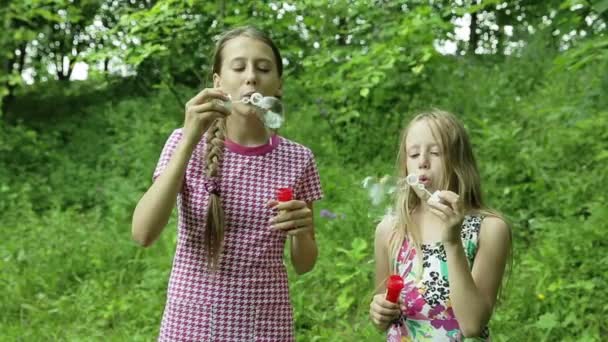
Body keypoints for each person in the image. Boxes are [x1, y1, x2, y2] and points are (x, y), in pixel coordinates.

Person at [131, 26, 323, 341]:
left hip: (265, 324)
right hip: (190, 323)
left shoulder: (298, 159)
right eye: (238, 67)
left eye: (263, 69)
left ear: (278, 87)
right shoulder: (183, 142)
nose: (251, 77)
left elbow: (304, 264)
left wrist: (302, 231)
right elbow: (143, 234)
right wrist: (191, 136)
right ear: (219, 83)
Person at [369, 110, 511, 341]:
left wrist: (453, 242)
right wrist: (379, 310)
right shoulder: (390, 230)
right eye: (413, 154)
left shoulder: (489, 229)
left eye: (435, 152)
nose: (423, 162)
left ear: (459, 162)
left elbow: (473, 324)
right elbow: (382, 312)